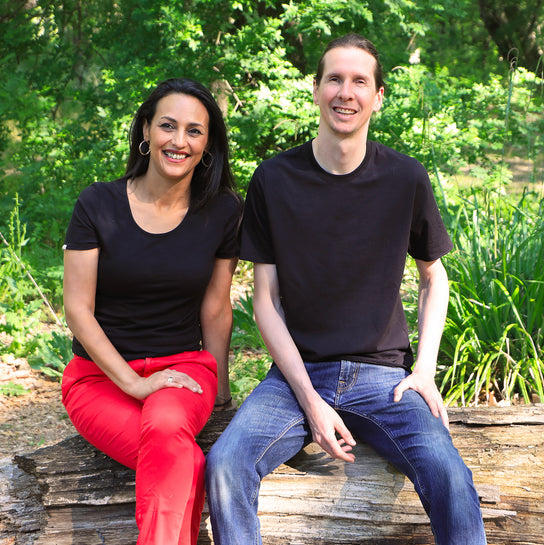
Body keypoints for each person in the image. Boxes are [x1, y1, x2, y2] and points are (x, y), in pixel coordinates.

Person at [205, 34, 487, 545]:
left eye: (360, 81)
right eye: (334, 78)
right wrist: (311, 400)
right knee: (225, 463)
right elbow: (264, 300)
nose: (346, 91)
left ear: (378, 96)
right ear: (316, 90)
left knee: (449, 474)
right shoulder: (274, 178)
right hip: (295, 378)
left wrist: (424, 370)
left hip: (385, 378)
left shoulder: (405, 178)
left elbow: (433, 275)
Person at [61, 77, 242, 545]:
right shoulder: (97, 204)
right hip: (97, 378)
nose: (179, 141)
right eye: (167, 126)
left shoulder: (222, 210)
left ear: (208, 144)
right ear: (145, 130)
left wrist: (220, 386)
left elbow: (216, 306)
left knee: (166, 427)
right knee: (184, 458)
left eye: (194, 131)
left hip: (184, 371)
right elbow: (78, 309)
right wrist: (135, 383)